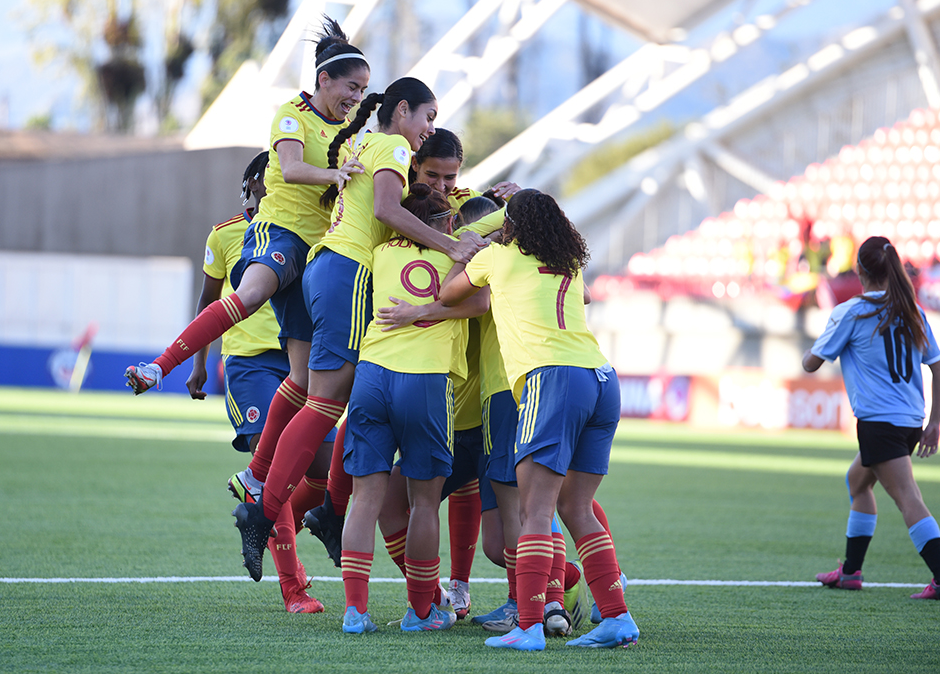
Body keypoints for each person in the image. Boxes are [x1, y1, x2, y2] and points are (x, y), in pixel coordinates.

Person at [123, 16, 368, 576]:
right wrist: (335, 177)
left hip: (323, 257)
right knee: (249, 294)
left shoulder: (350, 133)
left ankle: (267, 485)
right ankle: (160, 366)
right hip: (283, 236)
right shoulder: (292, 113)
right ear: (324, 80)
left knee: (307, 385)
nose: (355, 98)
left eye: (361, 90)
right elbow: (289, 166)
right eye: (349, 87)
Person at [232, 78, 496, 581]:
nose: (429, 128)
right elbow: (385, 209)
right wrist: (452, 247)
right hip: (348, 272)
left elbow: (409, 203)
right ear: (403, 111)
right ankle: (263, 511)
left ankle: (322, 509)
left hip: (326, 267)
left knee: (343, 395)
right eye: (428, 116)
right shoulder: (395, 145)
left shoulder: (360, 141)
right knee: (326, 402)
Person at [438, 188, 639, 651]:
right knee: (578, 509)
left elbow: (450, 294)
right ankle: (617, 618)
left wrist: (471, 240)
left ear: (510, 226)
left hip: (551, 381)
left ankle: (528, 625)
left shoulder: (498, 257)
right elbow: (581, 295)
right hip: (602, 379)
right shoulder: (570, 262)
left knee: (534, 512)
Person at [339, 183, 490, 634]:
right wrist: (426, 312)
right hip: (423, 380)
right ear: (445, 224)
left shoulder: (380, 253)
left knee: (365, 499)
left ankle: (355, 612)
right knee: (424, 503)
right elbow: (481, 302)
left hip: (372, 373)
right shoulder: (456, 257)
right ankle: (421, 612)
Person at [184, 151, 326, 614]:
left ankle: (260, 518)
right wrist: (198, 363)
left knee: (323, 476)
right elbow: (209, 299)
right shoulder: (225, 234)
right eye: (269, 180)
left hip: (302, 361)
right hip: (249, 366)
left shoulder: (313, 230)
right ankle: (294, 589)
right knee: (271, 473)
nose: (276, 187)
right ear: (252, 184)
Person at [803, 235, 940, 600]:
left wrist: (816, 345)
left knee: (908, 498)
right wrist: (934, 423)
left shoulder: (853, 311)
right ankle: (850, 572)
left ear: (861, 271)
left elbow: (811, 364)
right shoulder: (912, 310)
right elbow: (939, 370)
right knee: (857, 481)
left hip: (880, 421)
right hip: (910, 419)